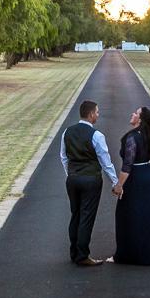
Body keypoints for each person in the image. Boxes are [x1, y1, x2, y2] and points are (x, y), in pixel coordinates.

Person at [111, 106, 150, 265]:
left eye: (136, 113)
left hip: (137, 179)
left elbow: (127, 165)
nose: (132, 114)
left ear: (140, 119)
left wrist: (119, 185)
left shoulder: (132, 138)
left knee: (130, 215)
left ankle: (131, 254)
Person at [58, 99, 118, 266]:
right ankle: (83, 255)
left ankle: (74, 252)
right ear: (91, 114)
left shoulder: (67, 132)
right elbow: (106, 162)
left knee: (75, 214)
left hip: (73, 179)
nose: (98, 115)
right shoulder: (97, 136)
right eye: (97, 112)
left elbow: (63, 156)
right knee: (86, 216)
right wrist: (115, 182)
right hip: (91, 180)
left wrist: (70, 174)